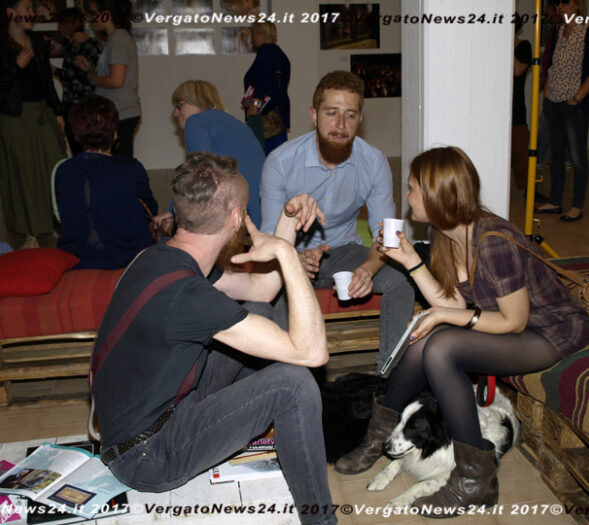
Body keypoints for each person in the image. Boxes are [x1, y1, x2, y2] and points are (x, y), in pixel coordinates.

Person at [335, 146, 589, 516]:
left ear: (436, 194)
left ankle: (474, 481)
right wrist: (411, 261)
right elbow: (454, 305)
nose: (406, 196)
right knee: (426, 341)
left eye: (411, 188)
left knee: (441, 347)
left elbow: (514, 321)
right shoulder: (445, 234)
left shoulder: (494, 241)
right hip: (514, 329)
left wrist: (441, 316)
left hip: (549, 331)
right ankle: (378, 439)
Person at [91, 151, 337, 525]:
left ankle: (261, 420)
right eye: (246, 210)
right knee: (294, 384)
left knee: (258, 313)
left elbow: (261, 290)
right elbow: (313, 352)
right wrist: (288, 256)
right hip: (146, 455)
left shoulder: (162, 257)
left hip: (158, 410)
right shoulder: (188, 296)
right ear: (237, 218)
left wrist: (288, 221)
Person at [260, 70, 415, 372]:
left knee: (401, 282)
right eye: (331, 113)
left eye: (350, 115)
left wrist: (368, 268)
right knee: (273, 289)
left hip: (345, 251)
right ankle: (288, 379)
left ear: (360, 119)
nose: (341, 125)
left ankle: (389, 378)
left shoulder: (374, 163)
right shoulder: (280, 162)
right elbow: (270, 238)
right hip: (293, 252)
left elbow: (385, 235)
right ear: (314, 115)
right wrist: (293, 259)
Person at [52, 95, 157, 269]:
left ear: (76, 135)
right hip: (129, 256)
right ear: (114, 133)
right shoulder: (131, 168)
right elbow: (150, 209)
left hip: (77, 258)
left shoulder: (63, 171)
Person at [0, 0, 66, 250]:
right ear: (10, 12)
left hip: (42, 114)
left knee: (55, 169)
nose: (32, 13)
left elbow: (47, 82)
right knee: (24, 176)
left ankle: (56, 226)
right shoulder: (2, 45)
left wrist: (58, 112)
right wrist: (17, 66)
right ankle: (29, 233)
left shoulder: (37, 42)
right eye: (26, 8)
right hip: (14, 119)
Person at [535, 0, 589, 222]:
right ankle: (555, 201)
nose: (561, 8)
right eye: (558, 4)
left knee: (577, 156)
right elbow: (552, 66)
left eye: (565, 3)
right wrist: (547, 93)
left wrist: (577, 98)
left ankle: (577, 206)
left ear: (577, 5)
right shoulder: (558, 31)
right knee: (555, 154)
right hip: (553, 101)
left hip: (575, 104)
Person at [171, 80, 265, 226]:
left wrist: (172, 210)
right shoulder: (232, 122)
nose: (176, 113)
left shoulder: (195, 121)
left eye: (179, 105)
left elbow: (200, 175)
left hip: (237, 205)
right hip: (260, 207)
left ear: (198, 101)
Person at [75, 0, 140, 158]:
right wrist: (90, 70)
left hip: (121, 112)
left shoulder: (118, 38)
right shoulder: (115, 38)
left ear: (106, 14)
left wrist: (93, 79)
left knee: (119, 165)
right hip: (119, 112)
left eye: (93, 13)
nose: (91, 18)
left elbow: (116, 80)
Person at [54, 7, 101, 155]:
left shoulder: (90, 45)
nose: (59, 28)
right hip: (74, 105)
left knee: (86, 149)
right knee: (80, 149)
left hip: (84, 107)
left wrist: (54, 71)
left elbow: (84, 75)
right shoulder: (74, 45)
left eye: (61, 24)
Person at [243, 21, 290, 155]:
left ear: (266, 33)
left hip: (265, 115)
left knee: (263, 156)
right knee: (278, 156)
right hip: (278, 115)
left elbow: (262, 79)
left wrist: (255, 104)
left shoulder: (265, 51)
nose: (253, 37)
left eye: (255, 32)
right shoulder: (280, 54)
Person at [511, 13, 532, 194]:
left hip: (516, 106)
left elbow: (518, 70)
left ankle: (528, 188)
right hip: (495, 106)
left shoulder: (524, 46)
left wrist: (507, 44)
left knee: (520, 151)